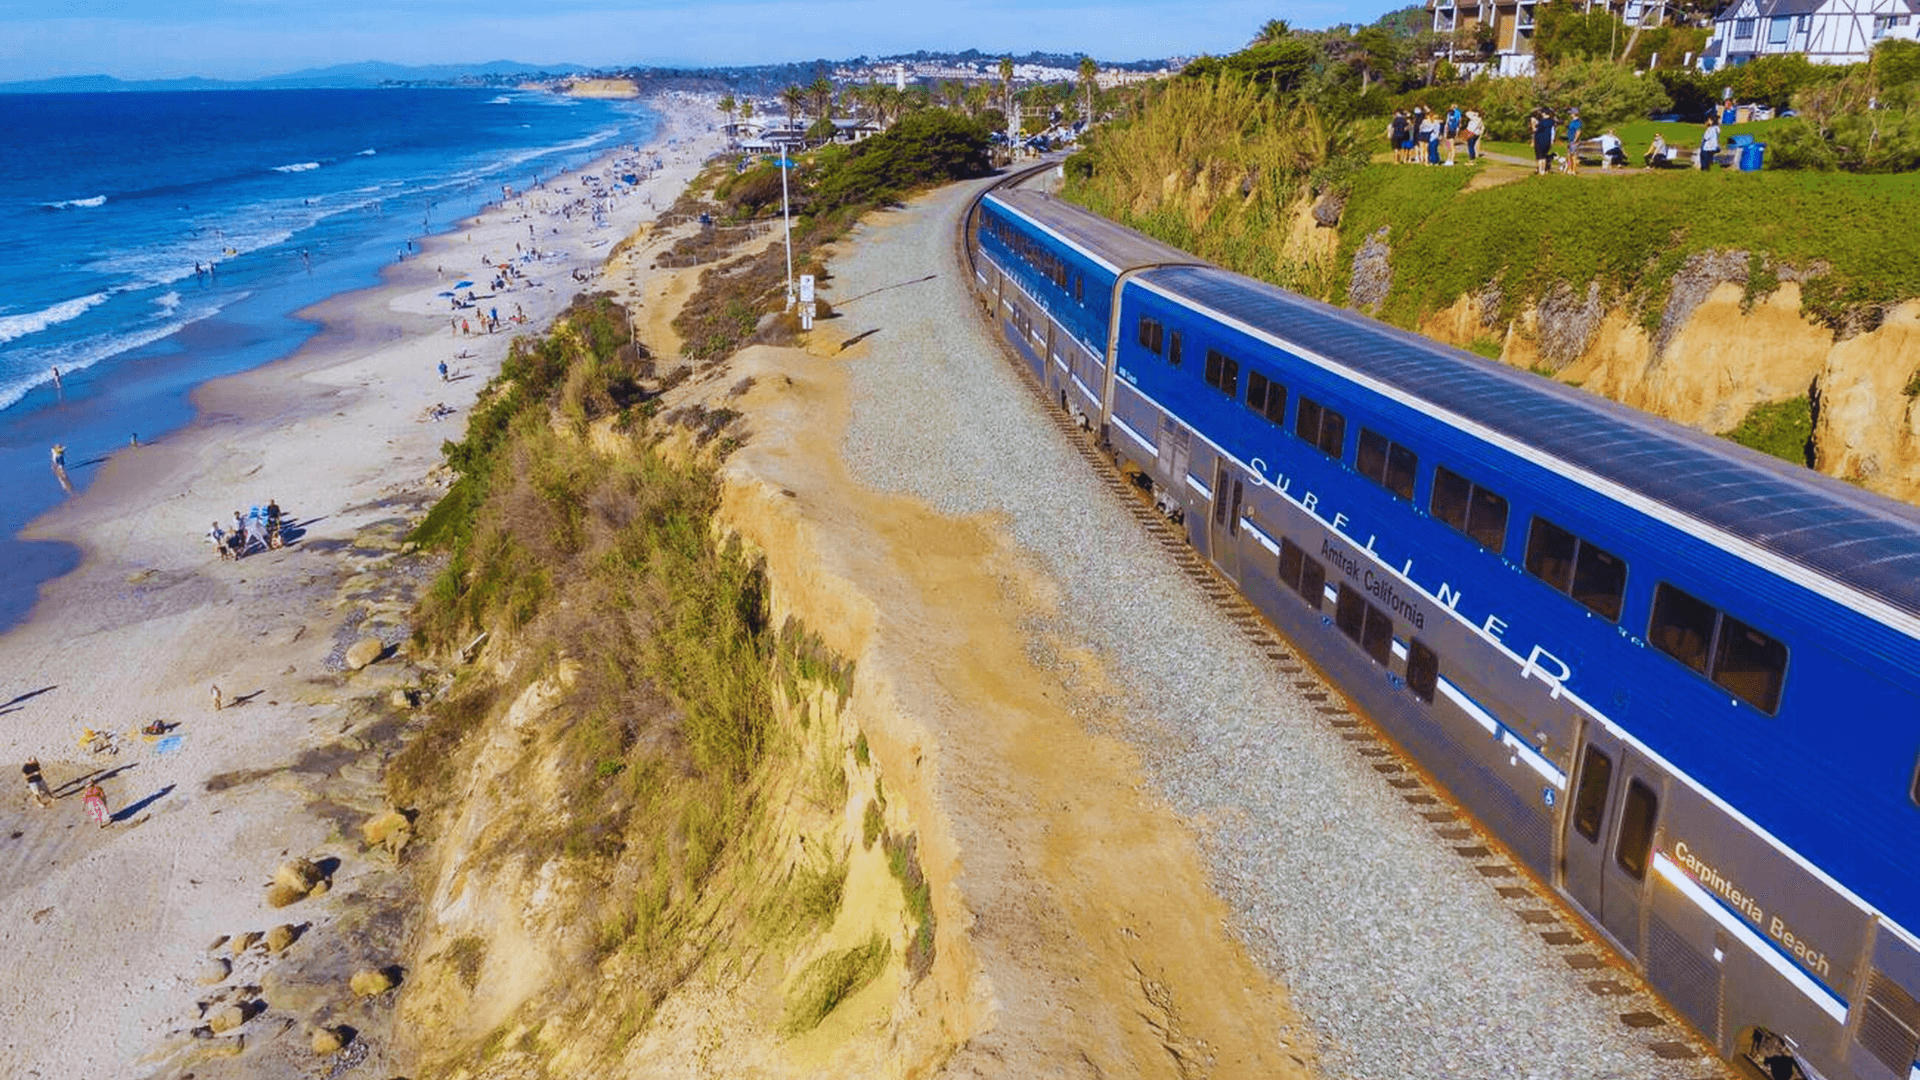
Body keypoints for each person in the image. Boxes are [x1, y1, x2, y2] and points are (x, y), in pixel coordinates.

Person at [1531, 107, 1556, 175]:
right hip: (1547, 140)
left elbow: (1535, 130)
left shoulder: (1541, 122)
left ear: (1544, 113)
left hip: (1539, 139)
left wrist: (1533, 124)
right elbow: (1553, 131)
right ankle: (1543, 170)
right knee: (1544, 156)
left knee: (1539, 156)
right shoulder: (1551, 121)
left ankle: (1540, 170)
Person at [1563, 108, 1584, 175]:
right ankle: (1569, 168)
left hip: (1574, 141)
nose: (1570, 114)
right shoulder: (1572, 122)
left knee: (1574, 156)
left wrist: (1575, 139)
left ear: (1575, 114)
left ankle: (1573, 170)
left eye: (1571, 113)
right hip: (1569, 140)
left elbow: (1579, 131)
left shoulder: (1578, 122)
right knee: (1569, 156)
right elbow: (1569, 129)